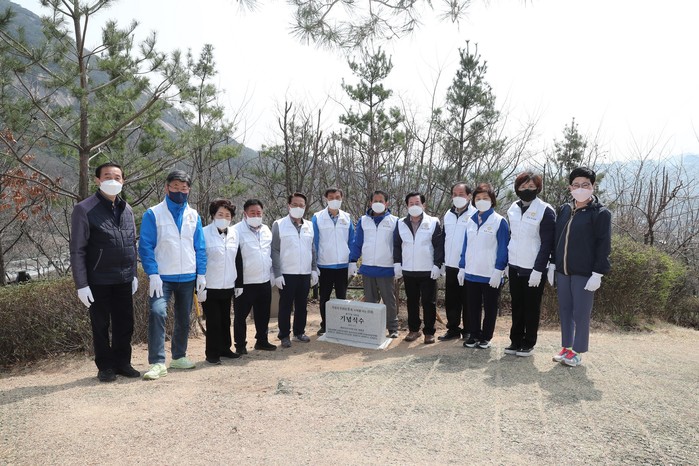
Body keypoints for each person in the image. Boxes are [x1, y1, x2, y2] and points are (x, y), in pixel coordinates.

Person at [69, 162, 139, 382]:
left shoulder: (127, 209)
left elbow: (131, 244)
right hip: (98, 278)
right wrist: (81, 284)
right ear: (97, 180)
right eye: (107, 176)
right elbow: (77, 249)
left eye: (117, 177)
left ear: (123, 181)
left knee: (125, 324)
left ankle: (122, 363)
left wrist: (134, 274)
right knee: (100, 325)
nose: (113, 181)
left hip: (123, 278)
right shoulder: (84, 209)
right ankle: (105, 366)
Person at [139, 170, 207, 380]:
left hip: (187, 276)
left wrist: (201, 274)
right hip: (162, 277)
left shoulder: (194, 215)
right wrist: (153, 273)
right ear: (167, 188)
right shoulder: (153, 213)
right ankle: (157, 362)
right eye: (175, 187)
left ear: (189, 189)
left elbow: (200, 247)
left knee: (183, 318)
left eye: (184, 188)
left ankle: (179, 356)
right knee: (157, 313)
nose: (180, 191)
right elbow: (146, 246)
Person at [549, 167, 611, 367]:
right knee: (565, 310)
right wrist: (552, 263)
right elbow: (556, 238)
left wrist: (598, 273)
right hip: (563, 270)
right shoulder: (565, 209)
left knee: (581, 313)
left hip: (585, 273)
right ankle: (566, 347)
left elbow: (604, 244)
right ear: (570, 187)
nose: (580, 188)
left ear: (593, 186)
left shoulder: (600, 213)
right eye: (576, 185)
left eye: (585, 184)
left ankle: (577, 351)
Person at [505, 171, 555, 357]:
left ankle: (528, 342)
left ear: (538, 188)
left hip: (533, 268)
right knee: (517, 305)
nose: (527, 189)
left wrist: (538, 269)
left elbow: (547, 243)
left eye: (531, 187)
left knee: (531, 306)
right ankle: (515, 340)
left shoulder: (545, 210)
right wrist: (507, 262)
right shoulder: (513, 208)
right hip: (514, 265)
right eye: (523, 186)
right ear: (517, 188)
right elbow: (512, 236)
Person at [458, 183, 509, 349]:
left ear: (492, 200)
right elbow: (465, 245)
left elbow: (503, 248)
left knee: (490, 307)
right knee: (472, 307)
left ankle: (486, 337)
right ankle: (473, 334)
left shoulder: (499, 221)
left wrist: (499, 270)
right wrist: (462, 267)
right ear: (473, 201)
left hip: (490, 274)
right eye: (478, 198)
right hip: (471, 272)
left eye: (485, 198)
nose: (481, 201)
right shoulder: (470, 221)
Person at [394, 192, 444, 344]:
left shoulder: (433, 222)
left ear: (423, 205)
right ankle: (414, 330)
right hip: (409, 270)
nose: (414, 206)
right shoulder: (400, 223)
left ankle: (429, 332)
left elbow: (438, 246)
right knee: (412, 301)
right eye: (411, 203)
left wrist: (437, 265)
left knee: (429, 302)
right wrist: (397, 263)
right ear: (407, 205)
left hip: (428, 270)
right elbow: (397, 245)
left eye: (417, 203)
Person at [349, 190, 400, 338]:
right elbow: (358, 242)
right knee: (370, 301)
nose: (378, 203)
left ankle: (392, 328)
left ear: (386, 203)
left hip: (386, 267)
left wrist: (398, 263)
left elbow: (398, 245)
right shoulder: (363, 220)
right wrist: (353, 260)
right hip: (368, 267)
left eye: (381, 201)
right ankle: (372, 328)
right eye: (375, 201)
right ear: (371, 203)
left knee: (389, 300)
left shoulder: (395, 221)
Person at [271, 192, 318, 348]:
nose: (298, 207)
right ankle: (284, 335)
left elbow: (312, 249)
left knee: (302, 305)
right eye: (295, 204)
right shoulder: (279, 224)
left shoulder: (309, 225)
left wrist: (313, 269)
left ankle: (299, 332)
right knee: (285, 305)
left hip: (304, 272)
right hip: (287, 273)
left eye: (301, 205)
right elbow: (275, 250)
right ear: (289, 206)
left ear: (305, 207)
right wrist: (277, 273)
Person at [198, 199, 241, 365]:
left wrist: (239, 283)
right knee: (213, 321)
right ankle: (212, 353)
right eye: (220, 214)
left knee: (225, 320)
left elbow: (237, 259)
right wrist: (198, 286)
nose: (224, 218)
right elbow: (199, 259)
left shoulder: (234, 233)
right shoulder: (203, 233)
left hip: (228, 283)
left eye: (227, 215)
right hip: (209, 285)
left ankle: (225, 349)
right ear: (213, 215)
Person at [233, 199, 277, 353]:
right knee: (241, 316)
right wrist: (237, 282)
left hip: (264, 280)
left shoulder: (266, 230)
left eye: (259, 213)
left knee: (263, 314)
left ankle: (262, 341)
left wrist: (272, 273)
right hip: (245, 282)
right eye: (252, 213)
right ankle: (240, 345)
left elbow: (270, 253)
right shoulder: (235, 231)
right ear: (245, 214)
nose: (256, 216)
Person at [312, 187, 355, 335]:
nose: (334, 200)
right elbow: (314, 242)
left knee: (341, 297)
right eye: (331, 198)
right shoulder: (317, 217)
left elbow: (352, 241)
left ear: (342, 198)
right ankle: (325, 325)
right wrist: (314, 265)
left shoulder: (347, 218)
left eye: (337, 197)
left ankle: (340, 325)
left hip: (342, 264)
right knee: (324, 297)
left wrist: (352, 262)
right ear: (326, 199)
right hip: (325, 264)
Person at [439, 182, 477, 342]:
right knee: (451, 300)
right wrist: (441, 261)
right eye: (454, 194)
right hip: (450, 264)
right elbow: (444, 238)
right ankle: (453, 329)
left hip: (468, 266)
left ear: (469, 196)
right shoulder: (448, 214)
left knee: (467, 299)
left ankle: (468, 330)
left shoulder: (475, 214)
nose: (457, 197)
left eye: (461, 194)